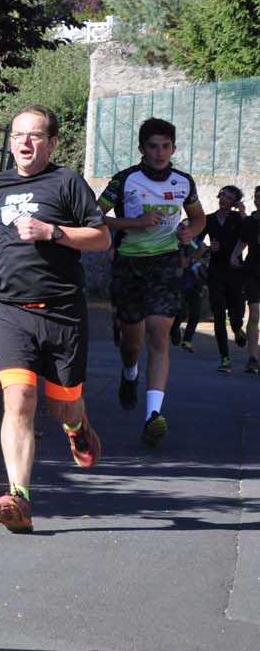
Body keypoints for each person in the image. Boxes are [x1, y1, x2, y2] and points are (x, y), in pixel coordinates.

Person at [0, 105, 111, 534]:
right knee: (18, 401)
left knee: (63, 404)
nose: (25, 143)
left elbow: (102, 237)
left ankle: (77, 425)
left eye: (34, 136)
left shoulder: (67, 183)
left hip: (63, 312)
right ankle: (20, 497)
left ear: (51, 143)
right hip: (12, 311)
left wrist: (54, 232)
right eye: (18, 136)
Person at [99, 118, 206, 448]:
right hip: (129, 264)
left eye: (166, 146)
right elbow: (94, 216)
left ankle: (153, 415)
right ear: (142, 149)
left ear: (173, 148)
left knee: (159, 334)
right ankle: (129, 374)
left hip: (165, 263)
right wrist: (135, 222)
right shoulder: (125, 180)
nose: (160, 153)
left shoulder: (183, 182)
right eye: (153, 146)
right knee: (133, 341)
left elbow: (199, 217)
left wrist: (192, 230)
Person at [203, 185, 248, 372]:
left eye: (229, 197)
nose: (224, 199)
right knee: (219, 313)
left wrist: (243, 211)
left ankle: (238, 329)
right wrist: (206, 249)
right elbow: (197, 240)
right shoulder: (209, 219)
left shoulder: (238, 219)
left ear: (234, 202)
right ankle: (225, 358)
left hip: (235, 270)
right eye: (222, 195)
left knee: (236, 313)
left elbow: (248, 235)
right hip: (215, 270)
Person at [167, 236, 206, 352]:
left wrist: (194, 258)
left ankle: (187, 340)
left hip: (194, 281)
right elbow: (183, 263)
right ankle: (174, 329)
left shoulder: (194, 240)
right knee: (181, 312)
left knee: (195, 313)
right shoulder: (175, 239)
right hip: (179, 281)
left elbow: (202, 248)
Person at [243, 186, 260, 374]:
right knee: (254, 314)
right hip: (252, 271)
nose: (258, 201)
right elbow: (242, 242)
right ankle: (253, 357)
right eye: (256, 197)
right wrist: (234, 256)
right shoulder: (249, 221)